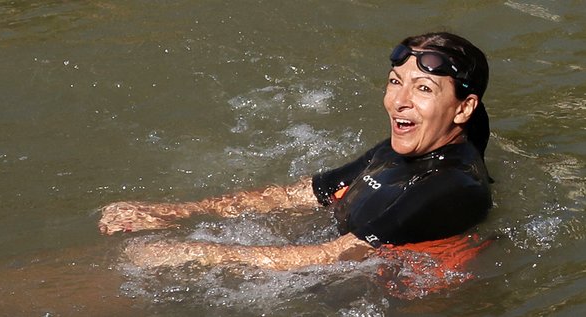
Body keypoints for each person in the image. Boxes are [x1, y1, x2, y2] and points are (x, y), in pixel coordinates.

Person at [99, 32, 493, 271]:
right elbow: (304, 193)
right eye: (395, 82)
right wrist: (175, 212)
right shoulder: (399, 150)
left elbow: (334, 258)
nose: (398, 101)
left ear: (464, 108)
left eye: (423, 89)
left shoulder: (450, 186)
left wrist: (192, 254)